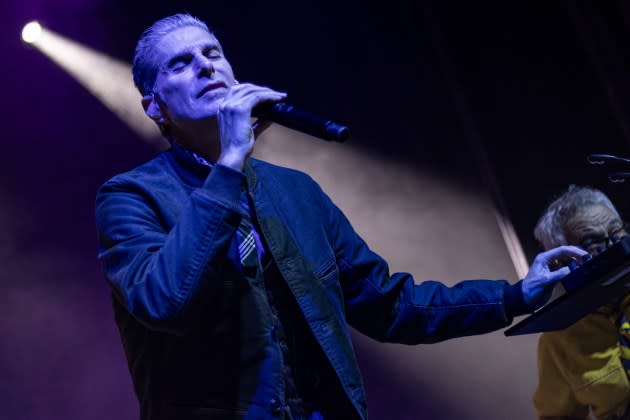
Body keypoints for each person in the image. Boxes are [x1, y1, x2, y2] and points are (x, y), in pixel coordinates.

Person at [95, 13, 585, 420]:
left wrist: (515, 295)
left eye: (212, 53)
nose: (206, 67)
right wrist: (227, 164)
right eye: (181, 64)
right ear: (154, 107)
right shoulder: (131, 197)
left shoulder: (295, 191)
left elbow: (390, 305)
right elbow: (162, 300)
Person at [532, 186, 630, 420]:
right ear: (563, 262)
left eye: (617, 234)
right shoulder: (559, 341)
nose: (615, 247)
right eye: (592, 242)